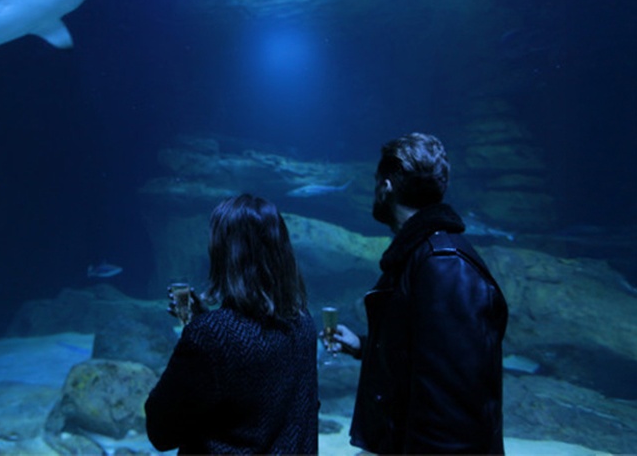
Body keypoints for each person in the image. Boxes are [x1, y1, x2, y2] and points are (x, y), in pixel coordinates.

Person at [331, 133, 508, 454]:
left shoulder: (442, 264)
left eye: (376, 183)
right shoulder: (420, 257)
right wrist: (364, 346)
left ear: (385, 187)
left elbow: (452, 397)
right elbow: (428, 352)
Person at [145, 193, 319, 455]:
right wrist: (204, 323)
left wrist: (197, 332)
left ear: (223, 253)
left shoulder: (212, 336)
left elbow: (161, 431)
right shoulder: (304, 323)